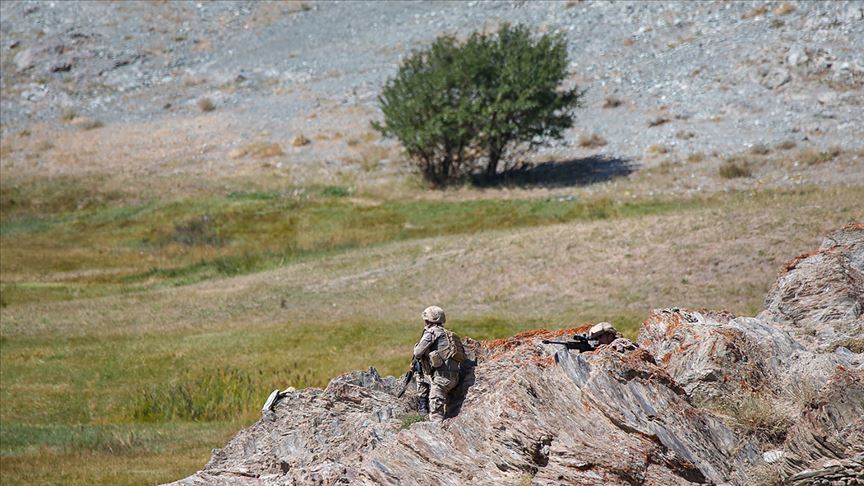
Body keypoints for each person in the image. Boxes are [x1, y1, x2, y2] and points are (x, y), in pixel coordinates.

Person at [413, 305, 461, 421]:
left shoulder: (431, 333)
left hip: (441, 379)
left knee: (436, 416)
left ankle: (424, 411)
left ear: (428, 320)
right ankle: (423, 408)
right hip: (455, 378)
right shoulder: (449, 334)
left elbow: (418, 352)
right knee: (421, 376)